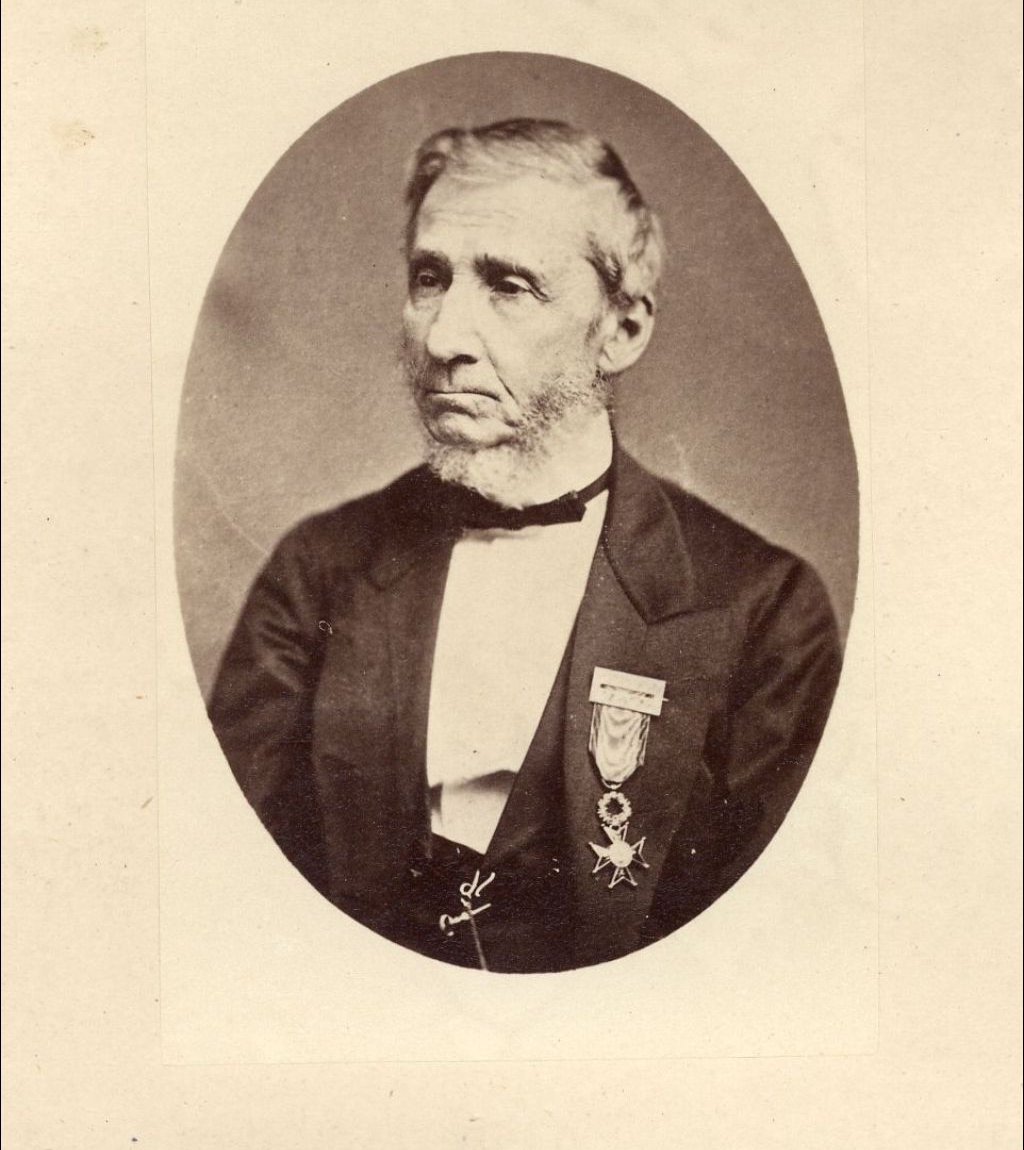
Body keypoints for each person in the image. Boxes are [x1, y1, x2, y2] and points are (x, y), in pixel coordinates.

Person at [208, 118, 843, 972]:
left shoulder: (764, 612)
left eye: (508, 285)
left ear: (622, 330)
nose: (444, 338)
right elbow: (232, 885)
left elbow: (767, 945)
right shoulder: (317, 571)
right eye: (429, 278)